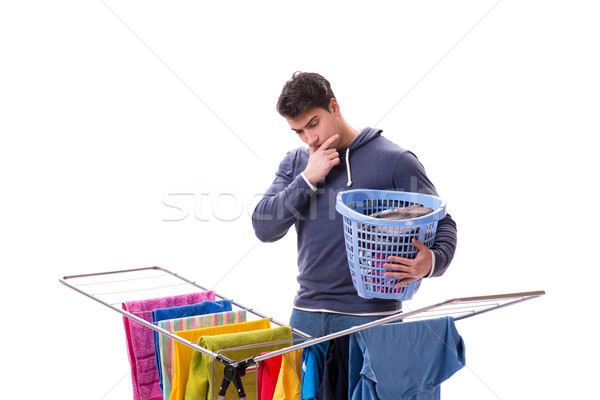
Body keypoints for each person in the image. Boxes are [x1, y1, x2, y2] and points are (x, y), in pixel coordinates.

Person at [252, 72, 457, 338]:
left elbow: (442, 222)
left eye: (314, 124)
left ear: (334, 107)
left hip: (372, 316)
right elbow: (264, 228)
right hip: (306, 315)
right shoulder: (296, 163)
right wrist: (308, 178)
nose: (309, 139)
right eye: (299, 131)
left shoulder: (395, 160)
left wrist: (432, 261)